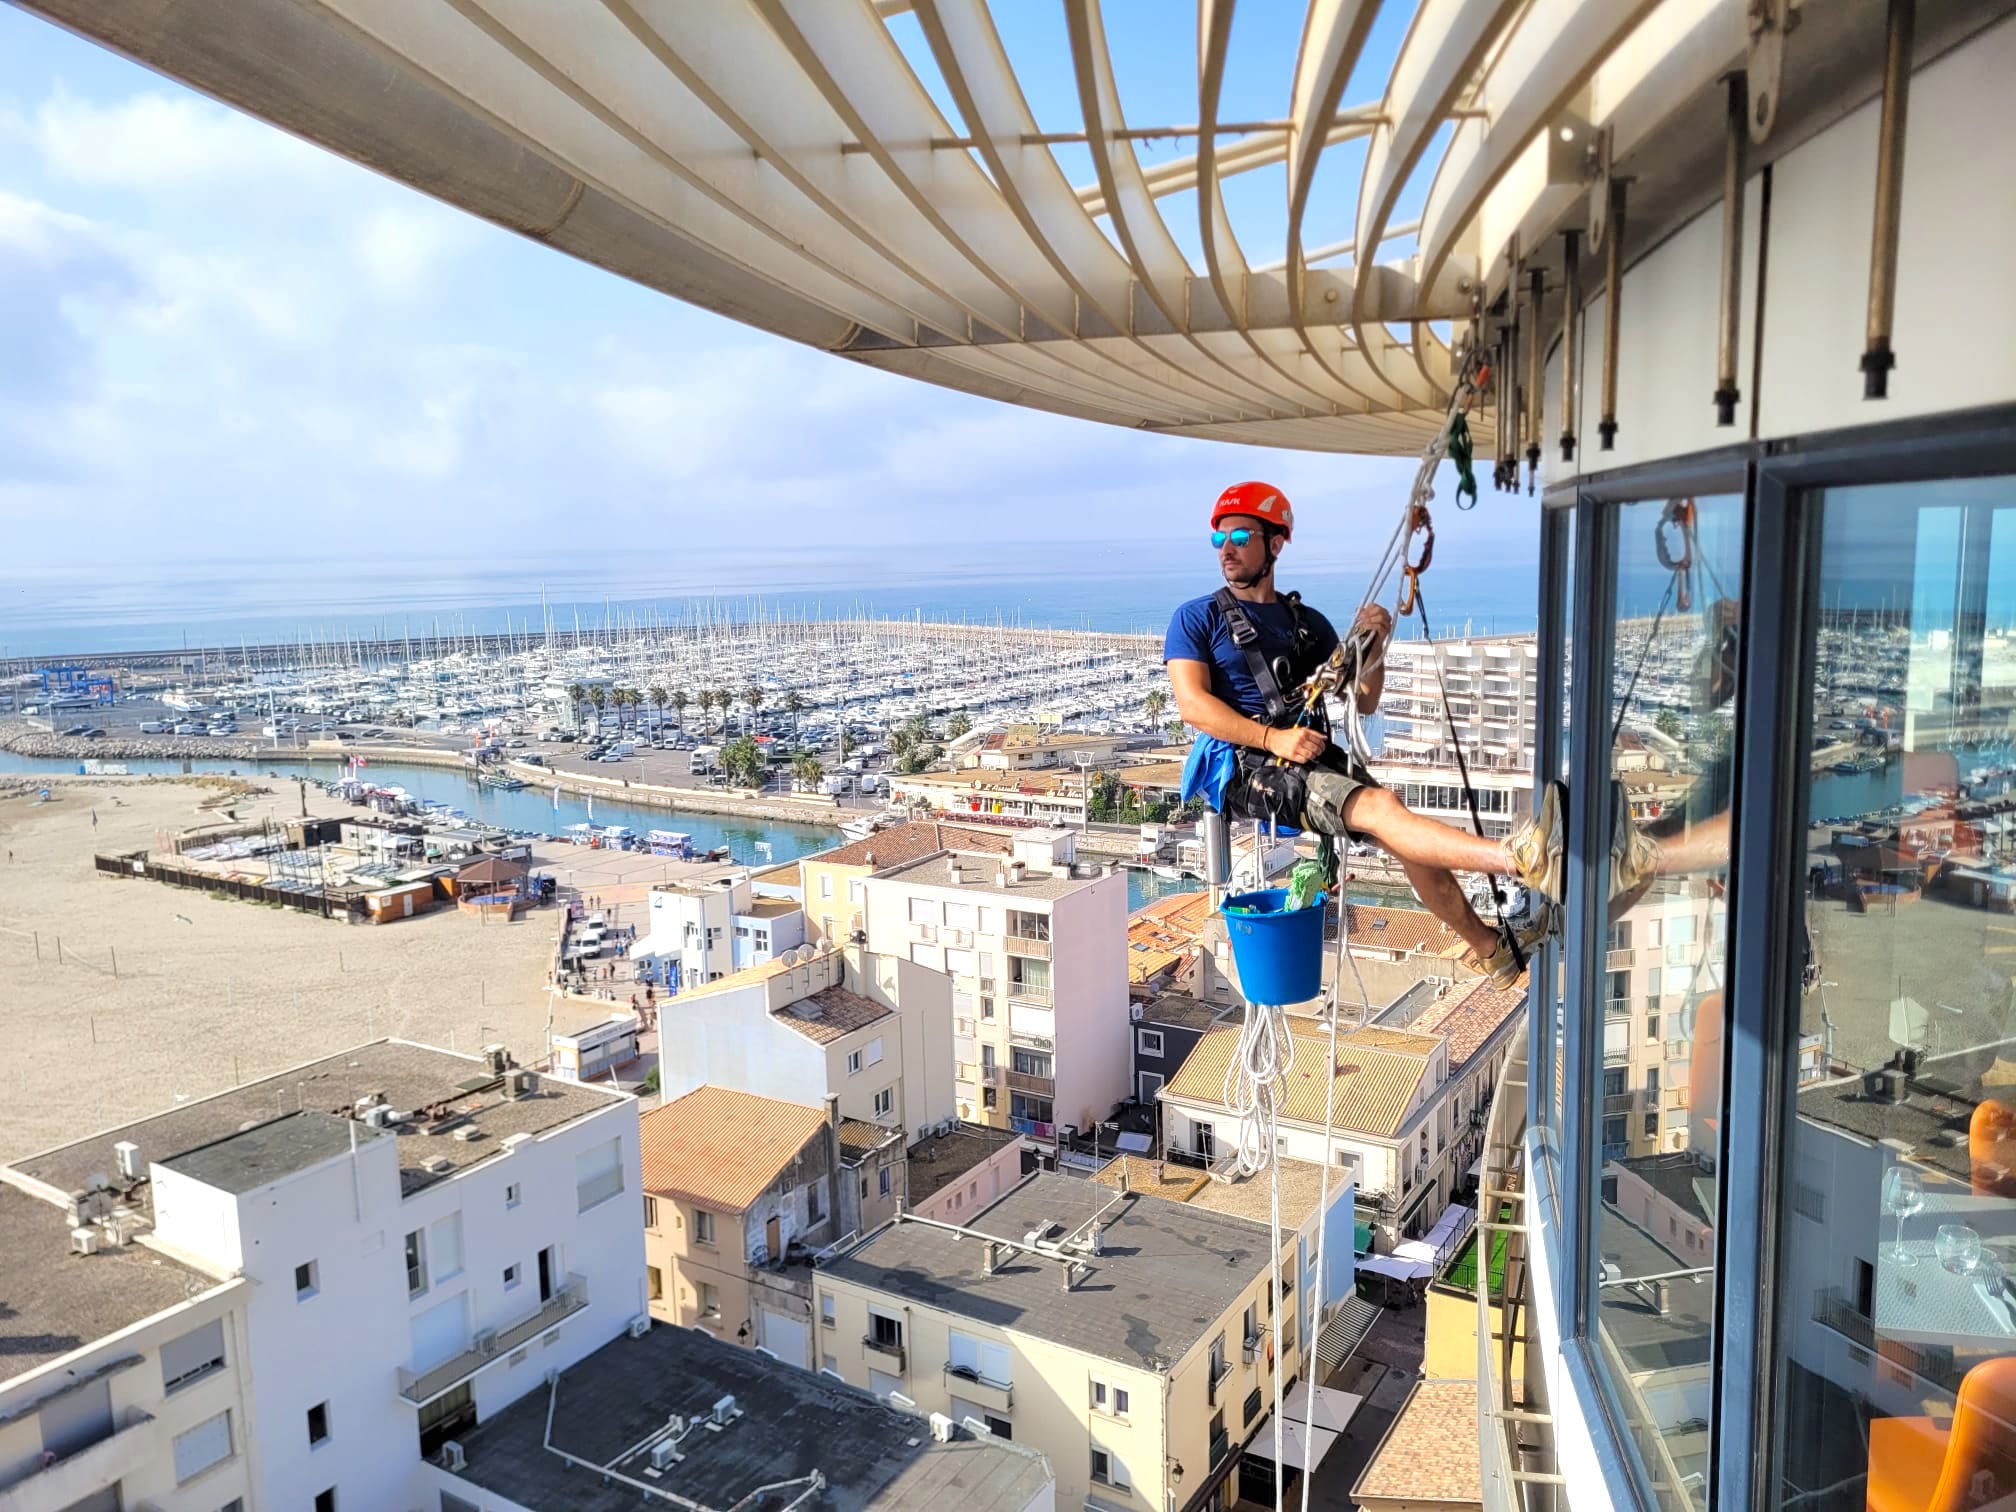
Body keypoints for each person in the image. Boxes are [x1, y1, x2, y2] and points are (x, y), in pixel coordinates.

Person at [1167, 481, 1605, 985]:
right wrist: (1272, 739)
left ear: (1276, 544)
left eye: (1241, 536)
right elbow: (1193, 705)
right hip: (1247, 768)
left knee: (1405, 837)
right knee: (1382, 811)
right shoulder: (1198, 618)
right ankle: (1517, 858)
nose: (1227, 548)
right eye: (1219, 539)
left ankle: (1492, 950)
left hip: (1305, 756)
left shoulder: (1304, 624)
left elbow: (1366, 697)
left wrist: (1377, 644)